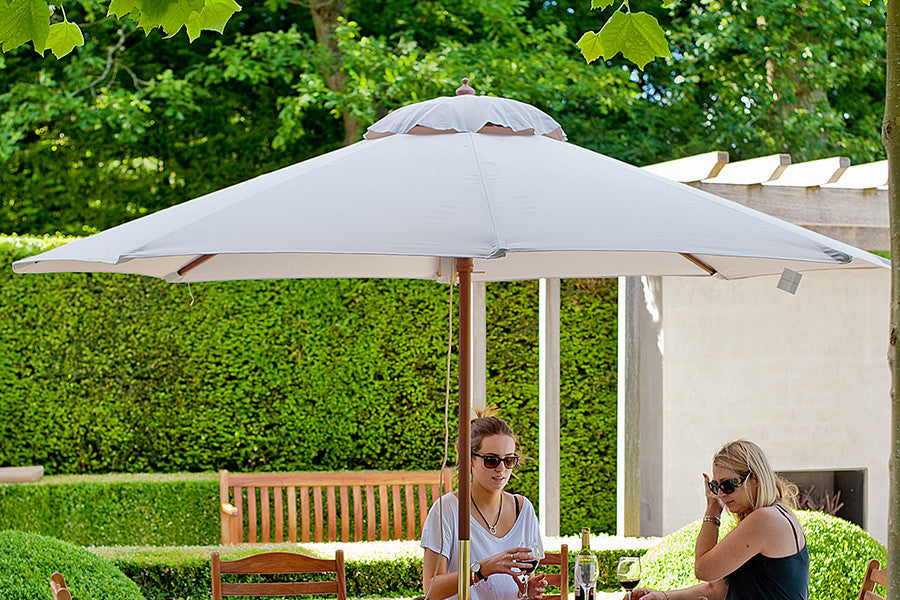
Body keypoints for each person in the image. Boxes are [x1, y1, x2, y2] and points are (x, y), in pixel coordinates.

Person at [631, 439, 809, 600]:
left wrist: (713, 510)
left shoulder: (764, 519)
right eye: (716, 486)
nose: (720, 494)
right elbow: (716, 589)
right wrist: (663, 596)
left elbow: (703, 570)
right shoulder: (775, 515)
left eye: (727, 485)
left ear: (754, 478)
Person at [421, 409, 547, 600]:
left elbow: (523, 580)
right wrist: (483, 569)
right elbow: (431, 589)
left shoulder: (524, 509)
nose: (501, 469)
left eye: (509, 460)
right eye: (491, 460)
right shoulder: (447, 510)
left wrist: (527, 591)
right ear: (470, 459)